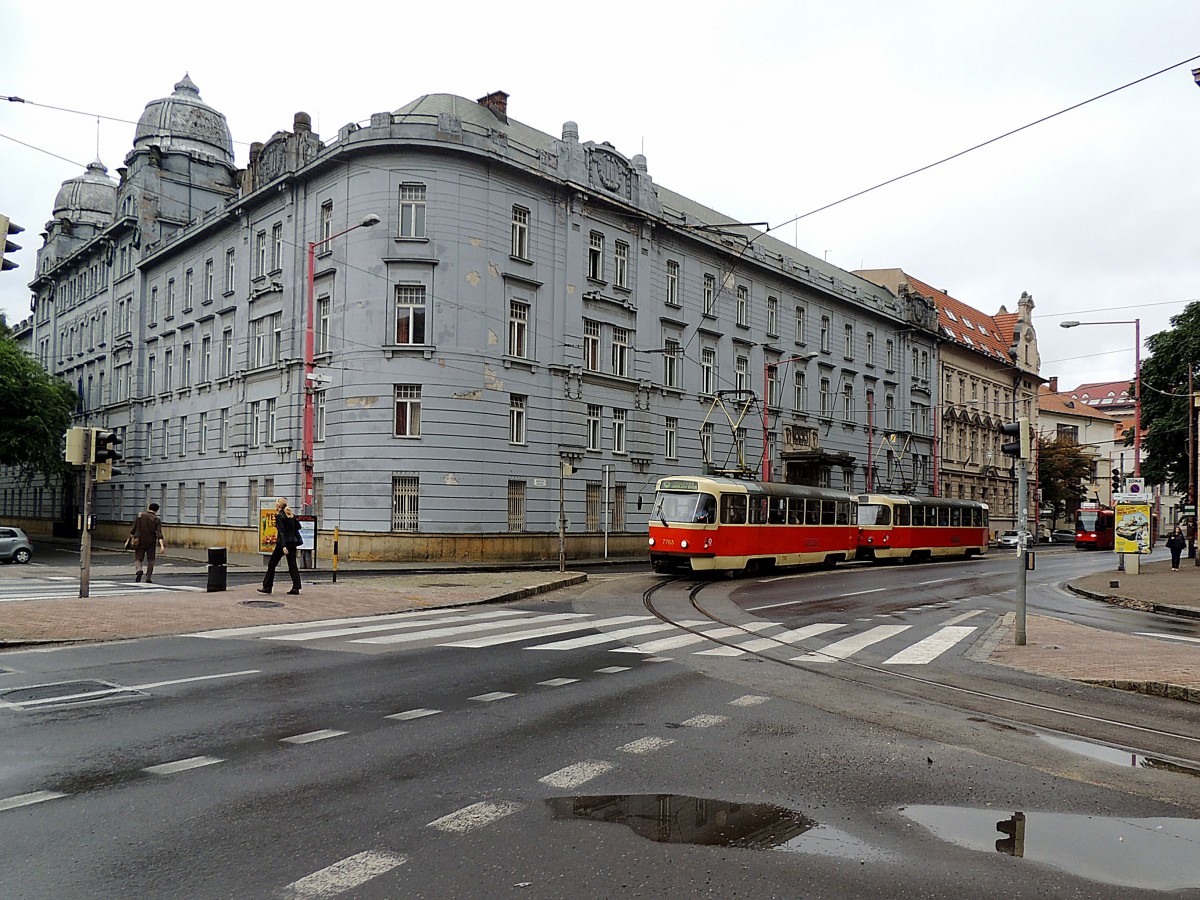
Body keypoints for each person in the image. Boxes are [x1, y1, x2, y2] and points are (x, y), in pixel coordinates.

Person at [259, 498, 302, 595]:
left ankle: (267, 586)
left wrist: (283, 546)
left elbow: (282, 532)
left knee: (272, 564)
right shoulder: (291, 515)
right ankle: (296, 587)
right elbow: (299, 527)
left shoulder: (280, 516)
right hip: (292, 543)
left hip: (282, 544)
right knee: (292, 565)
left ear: (279, 506)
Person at [130, 502, 165, 583]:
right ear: (156, 510)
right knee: (151, 560)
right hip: (151, 542)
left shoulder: (140, 516)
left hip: (139, 541)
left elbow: (133, 529)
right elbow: (159, 534)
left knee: (138, 558)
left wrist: (132, 536)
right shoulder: (156, 519)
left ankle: (139, 570)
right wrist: (162, 546)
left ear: (148, 508)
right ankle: (148, 577)